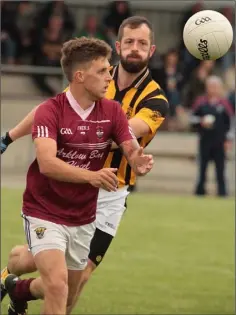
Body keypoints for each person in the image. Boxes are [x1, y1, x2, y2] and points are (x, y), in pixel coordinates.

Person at [1, 16, 168, 313]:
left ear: (151, 51)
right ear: (118, 46)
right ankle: (10, 278)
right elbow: (49, 111)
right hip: (68, 181)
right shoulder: (93, 74)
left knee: (77, 278)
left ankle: (17, 288)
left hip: (110, 193)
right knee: (32, 264)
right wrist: (10, 136)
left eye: (142, 43)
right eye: (129, 41)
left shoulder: (155, 100)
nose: (135, 48)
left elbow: (123, 135)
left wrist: (136, 157)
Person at [190, 75, 233, 197]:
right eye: (211, 86)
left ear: (220, 88)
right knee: (202, 168)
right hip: (204, 140)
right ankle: (200, 192)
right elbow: (192, 119)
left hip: (220, 141)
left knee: (220, 169)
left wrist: (228, 139)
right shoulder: (201, 102)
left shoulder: (225, 104)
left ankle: (222, 193)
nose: (213, 89)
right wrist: (201, 121)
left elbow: (230, 123)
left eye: (216, 86)